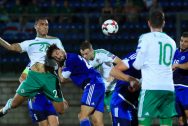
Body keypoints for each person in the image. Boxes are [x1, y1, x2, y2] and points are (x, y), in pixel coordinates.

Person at [46, 44, 138, 126]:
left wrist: (58, 67)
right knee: (96, 121)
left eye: (58, 53)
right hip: (99, 85)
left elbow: (62, 79)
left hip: (93, 85)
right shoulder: (70, 59)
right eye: (55, 57)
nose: (58, 56)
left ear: (61, 49)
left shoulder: (70, 59)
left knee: (82, 116)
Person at [0, 17, 65, 118]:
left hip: (50, 77)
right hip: (33, 77)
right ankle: (6, 107)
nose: (45, 26)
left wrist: (60, 73)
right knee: (14, 104)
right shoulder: (29, 43)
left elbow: (63, 57)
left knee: (61, 110)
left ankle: (44, 95)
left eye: (46, 24)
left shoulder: (55, 40)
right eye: (42, 24)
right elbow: (10, 47)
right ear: (36, 27)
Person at [133, 8, 177, 126]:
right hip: (168, 88)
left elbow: (137, 65)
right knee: (166, 123)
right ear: (163, 23)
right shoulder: (172, 42)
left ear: (149, 23)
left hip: (150, 88)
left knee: (144, 123)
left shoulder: (145, 38)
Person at [80, 41, 122, 121]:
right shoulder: (84, 63)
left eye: (86, 53)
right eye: (83, 54)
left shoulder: (102, 53)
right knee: (95, 119)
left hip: (113, 89)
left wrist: (113, 74)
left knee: (115, 117)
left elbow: (120, 62)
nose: (84, 56)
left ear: (92, 50)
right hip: (101, 91)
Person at [110, 52, 141, 126]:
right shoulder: (136, 57)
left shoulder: (154, 61)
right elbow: (113, 71)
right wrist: (130, 79)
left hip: (134, 103)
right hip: (121, 100)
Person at [172, 32, 188, 126]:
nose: (182, 43)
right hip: (173, 87)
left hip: (185, 87)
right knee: (180, 118)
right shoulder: (175, 52)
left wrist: (177, 65)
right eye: (181, 40)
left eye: (186, 41)